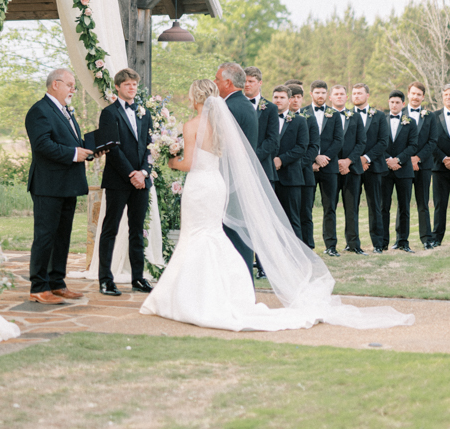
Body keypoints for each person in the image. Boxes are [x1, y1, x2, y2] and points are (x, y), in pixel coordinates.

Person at [140, 82, 413, 332]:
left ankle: (192, 295)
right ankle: (227, 292)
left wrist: (169, 160)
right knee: (211, 234)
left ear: (194, 97)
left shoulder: (191, 125)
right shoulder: (223, 126)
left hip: (199, 186)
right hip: (216, 185)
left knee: (196, 235)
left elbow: (190, 163)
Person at [25, 68, 91, 304]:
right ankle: (38, 287)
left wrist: (91, 148)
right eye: (70, 85)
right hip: (48, 184)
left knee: (62, 236)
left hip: (68, 184)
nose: (74, 89)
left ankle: (57, 283)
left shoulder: (65, 111)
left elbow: (71, 142)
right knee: (45, 236)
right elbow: (42, 145)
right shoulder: (39, 111)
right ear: (55, 84)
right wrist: (75, 153)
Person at [97, 68, 153, 296]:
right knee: (110, 229)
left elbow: (151, 146)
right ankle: (105, 279)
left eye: (134, 84)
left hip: (141, 181)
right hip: (118, 181)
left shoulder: (144, 113)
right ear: (118, 87)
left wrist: (144, 172)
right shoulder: (108, 113)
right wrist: (132, 174)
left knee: (137, 231)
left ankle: (137, 278)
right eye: (128, 84)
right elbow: (111, 148)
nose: (132, 88)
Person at [215, 62, 257, 277]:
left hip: (231, 181)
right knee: (239, 230)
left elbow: (220, 147)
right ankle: (243, 282)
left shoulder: (229, 108)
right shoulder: (246, 105)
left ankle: (239, 283)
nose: (215, 83)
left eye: (217, 80)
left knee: (233, 231)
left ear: (228, 83)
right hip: (242, 179)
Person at [301, 81, 343, 257]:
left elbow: (338, 140)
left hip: (329, 166)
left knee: (330, 207)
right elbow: (302, 140)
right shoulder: (303, 113)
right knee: (306, 206)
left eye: (323, 93)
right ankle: (305, 245)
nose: (320, 95)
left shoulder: (334, 114)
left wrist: (324, 159)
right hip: (308, 167)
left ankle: (331, 245)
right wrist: (313, 159)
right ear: (311, 93)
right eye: (317, 92)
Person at [244, 67, 279, 278]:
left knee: (264, 220)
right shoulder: (234, 105)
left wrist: (251, 156)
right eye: (245, 81)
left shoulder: (271, 108)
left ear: (259, 83)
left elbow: (273, 140)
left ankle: (265, 266)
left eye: (251, 81)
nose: (247, 84)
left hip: (263, 169)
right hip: (239, 173)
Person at [329, 84, 366, 254]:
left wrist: (348, 161)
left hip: (352, 169)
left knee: (352, 209)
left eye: (342, 94)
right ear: (331, 97)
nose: (339, 97)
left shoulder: (356, 117)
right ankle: (330, 246)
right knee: (330, 208)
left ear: (346, 97)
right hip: (330, 169)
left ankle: (353, 244)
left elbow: (361, 142)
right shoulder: (325, 117)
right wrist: (336, 162)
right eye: (335, 94)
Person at [352, 83, 388, 254]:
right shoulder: (346, 115)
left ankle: (378, 244)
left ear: (367, 95)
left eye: (359, 93)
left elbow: (383, 141)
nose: (356, 96)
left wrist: (366, 158)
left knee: (375, 205)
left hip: (373, 167)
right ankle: (352, 242)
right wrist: (356, 159)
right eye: (354, 93)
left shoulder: (380, 116)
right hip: (352, 168)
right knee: (352, 206)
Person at [381, 90, 418, 253]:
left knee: (404, 207)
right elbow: (377, 142)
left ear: (403, 104)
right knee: (384, 207)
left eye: (397, 102)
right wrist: (388, 160)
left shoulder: (411, 122)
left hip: (404, 170)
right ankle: (382, 242)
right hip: (384, 170)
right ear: (388, 103)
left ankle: (403, 241)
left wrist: (398, 160)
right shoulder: (381, 120)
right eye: (392, 102)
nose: (394, 105)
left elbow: (413, 145)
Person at [271, 85, 308, 239]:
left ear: (289, 100)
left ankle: (297, 258)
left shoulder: (299, 121)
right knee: (270, 218)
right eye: (276, 97)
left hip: (291, 177)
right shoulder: (264, 118)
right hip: (269, 175)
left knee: (293, 219)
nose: (278, 100)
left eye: (282, 97)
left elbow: (302, 147)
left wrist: (282, 159)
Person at [404, 82, 437, 249]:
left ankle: (426, 239)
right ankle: (401, 240)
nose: (416, 97)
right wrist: (408, 159)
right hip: (403, 165)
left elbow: (432, 141)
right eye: (413, 93)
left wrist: (418, 158)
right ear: (408, 94)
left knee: (423, 202)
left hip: (423, 166)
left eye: (419, 94)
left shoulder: (430, 116)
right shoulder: (400, 114)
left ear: (423, 97)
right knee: (404, 203)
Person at [288, 84, 319, 250]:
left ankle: (308, 247)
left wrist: (300, 164)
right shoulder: (279, 117)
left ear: (302, 99)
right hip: (284, 174)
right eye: (292, 96)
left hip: (304, 173)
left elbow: (314, 146)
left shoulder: (310, 118)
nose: (295, 100)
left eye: (298, 97)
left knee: (305, 213)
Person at [431, 84, 450, 247]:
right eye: (446, 95)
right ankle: (436, 238)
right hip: (439, 168)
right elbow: (430, 142)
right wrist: (444, 158)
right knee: (440, 205)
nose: (448, 97)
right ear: (442, 97)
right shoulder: (433, 116)